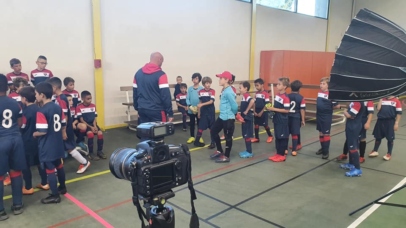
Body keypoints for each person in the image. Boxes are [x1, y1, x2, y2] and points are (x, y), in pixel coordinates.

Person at [48, 77, 90, 173]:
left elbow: (65, 116)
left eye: (50, 87)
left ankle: (84, 162)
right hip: (63, 127)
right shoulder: (59, 98)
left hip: (65, 128)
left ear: (54, 87)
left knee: (69, 148)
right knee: (65, 148)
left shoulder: (62, 99)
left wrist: (63, 131)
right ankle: (56, 168)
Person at [34, 82, 67, 204]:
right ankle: (62, 187)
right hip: (57, 142)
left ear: (42, 95)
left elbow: (42, 131)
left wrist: (34, 134)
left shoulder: (41, 111)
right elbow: (63, 122)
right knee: (59, 165)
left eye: (36, 94)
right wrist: (63, 133)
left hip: (47, 145)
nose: (35, 96)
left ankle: (54, 195)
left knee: (49, 169)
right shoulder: (57, 107)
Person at [0, 74, 26, 220]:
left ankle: (0, 211)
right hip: (16, 139)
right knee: (16, 172)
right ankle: (17, 205)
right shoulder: (15, 103)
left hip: (1, 141)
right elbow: (20, 123)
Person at [19, 86, 48, 194]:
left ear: (25, 99)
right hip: (38, 140)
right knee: (39, 162)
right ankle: (45, 183)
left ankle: (28, 187)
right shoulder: (38, 109)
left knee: (25, 165)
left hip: (27, 141)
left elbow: (22, 126)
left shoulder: (26, 112)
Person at [132, 52, 173, 125]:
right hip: (157, 110)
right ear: (159, 59)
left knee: (144, 133)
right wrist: (170, 113)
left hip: (142, 109)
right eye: (162, 61)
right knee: (159, 134)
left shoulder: (138, 73)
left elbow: (135, 93)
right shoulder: (161, 75)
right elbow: (165, 95)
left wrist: (137, 108)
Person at [210, 71, 238, 163]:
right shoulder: (224, 90)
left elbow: (235, 106)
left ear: (226, 80)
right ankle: (219, 150)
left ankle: (226, 156)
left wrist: (232, 115)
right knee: (213, 131)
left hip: (228, 118)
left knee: (228, 137)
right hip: (222, 117)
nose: (219, 79)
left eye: (221, 78)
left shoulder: (229, 92)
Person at [369, 96, 402, 161]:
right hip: (380, 120)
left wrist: (396, 123)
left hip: (390, 121)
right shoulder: (383, 99)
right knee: (378, 136)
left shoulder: (396, 101)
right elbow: (378, 108)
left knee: (390, 138)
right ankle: (375, 151)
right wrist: (381, 99)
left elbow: (399, 113)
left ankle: (389, 153)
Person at [76, 90, 106, 160]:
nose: (90, 100)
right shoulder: (79, 107)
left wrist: (95, 126)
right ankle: (91, 153)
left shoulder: (93, 106)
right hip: (86, 124)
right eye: (88, 99)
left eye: (90, 98)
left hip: (93, 124)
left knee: (100, 133)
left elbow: (94, 118)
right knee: (90, 134)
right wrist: (91, 127)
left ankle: (99, 151)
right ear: (82, 99)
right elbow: (81, 120)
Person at [315, 77, 340, 159]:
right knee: (321, 132)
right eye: (320, 83)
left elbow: (337, 106)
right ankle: (322, 148)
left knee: (326, 133)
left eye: (323, 84)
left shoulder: (331, 94)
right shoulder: (319, 92)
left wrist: (329, 108)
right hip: (319, 115)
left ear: (328, 85)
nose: (321, 85)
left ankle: (326, 152)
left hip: (326, 116)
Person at [267, 78, 291, 162]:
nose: (277, 85)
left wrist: (274, 109)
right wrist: (271, 108)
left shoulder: (286, 97)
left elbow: (286, 110)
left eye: (279, 84)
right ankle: (277, 153)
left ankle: (282, 155)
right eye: (277, 84)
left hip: (282, 120)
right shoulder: (277, 95)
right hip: (276, 119)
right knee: (277, 137)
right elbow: (276, 107)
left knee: (282, 137)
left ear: (284, 86)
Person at [339, 101, 364, 177]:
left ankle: (357, 169)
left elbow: (350, 115)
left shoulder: (358, 103)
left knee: (353, 147)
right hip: (350, 126)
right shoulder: (354, 102)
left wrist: (345, 111)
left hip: (354, 127)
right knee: (350, 146)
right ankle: (351, 164)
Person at [194, 77, 215, 147]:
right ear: (203, 84)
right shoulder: (200, 92)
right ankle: (196, 141)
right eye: (207, 83)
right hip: (203, 111)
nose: (208, 85)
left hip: (211, 111)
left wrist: (202, 104)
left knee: (212, 127)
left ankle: (213, 142)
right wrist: (199, 112)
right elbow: (200, 102)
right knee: (201, 127)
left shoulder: (212, 91)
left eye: (209, 83)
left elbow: (211, 101)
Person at [287, 80, 306, 156]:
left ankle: (285, 149)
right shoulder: (301, 98)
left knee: (287, 133)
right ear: (299, 89)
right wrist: (303, 120)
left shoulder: (287, 96)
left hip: (288, 116)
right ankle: (294, 150)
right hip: (296, 117)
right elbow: (302, 109)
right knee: (295, 133)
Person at [252, 78, 273, 143]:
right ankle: (256, 138)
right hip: (257, 111)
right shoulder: (257, 93)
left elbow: (267, 104)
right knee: (256, 124)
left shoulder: (265, 93)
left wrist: (261, 112)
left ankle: (270, 136)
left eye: (257, 85)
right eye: (255, 85)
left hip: (263, 112)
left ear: (262, 85)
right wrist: (254, 111)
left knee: (265, 125)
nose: (256, 87)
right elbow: (254, 102)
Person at [238, 81, 255, 158]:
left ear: (245, 88)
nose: (239, 89)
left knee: (247, 135)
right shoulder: (244, 96)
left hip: (247, 118)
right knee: (245, 135)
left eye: (240, 88)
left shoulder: (246, 95)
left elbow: (252, 101)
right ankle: (247, 150)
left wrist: (246, 111)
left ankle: (249, 151)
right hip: (245, 118)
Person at [186, 73, 204, 144]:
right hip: (191, 110)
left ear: (199, 80)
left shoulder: (201, 89)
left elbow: (202, 99)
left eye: (196, 78)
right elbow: (187, 98)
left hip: (199, 110)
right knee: (192, 123)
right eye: (193, 78)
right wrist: (190, 106)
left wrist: (199, 107)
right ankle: (192, 136)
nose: (194, 80)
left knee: (199, 124)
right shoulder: (190, 88)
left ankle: (199, 137)